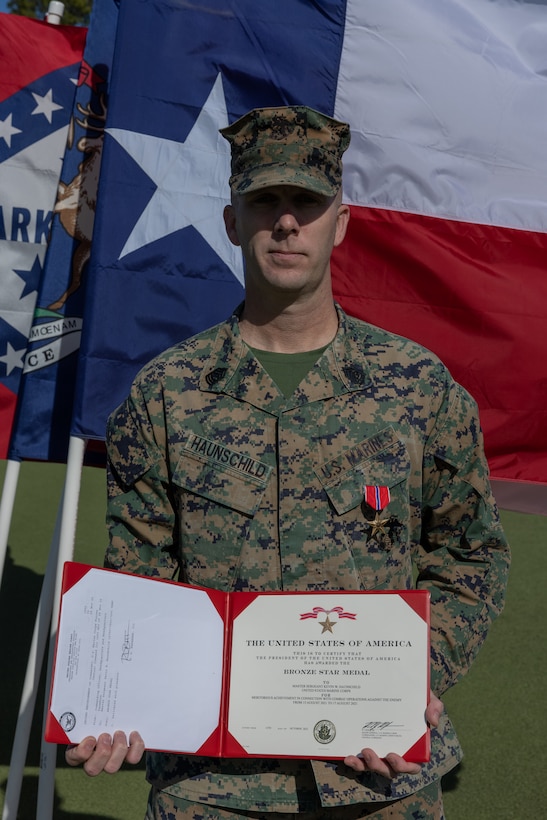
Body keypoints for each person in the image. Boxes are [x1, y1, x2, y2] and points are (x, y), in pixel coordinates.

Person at [66, 105, 510, 819]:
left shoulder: (415, 385)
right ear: (229, 221)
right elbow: (141, 579)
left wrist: (410, 677)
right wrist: (116, 698)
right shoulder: (168, 392)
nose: (285, 222)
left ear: (341, 221)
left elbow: (470, 556)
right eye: (263, 201)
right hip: (211, 787)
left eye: (306, 202)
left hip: (378, 776)